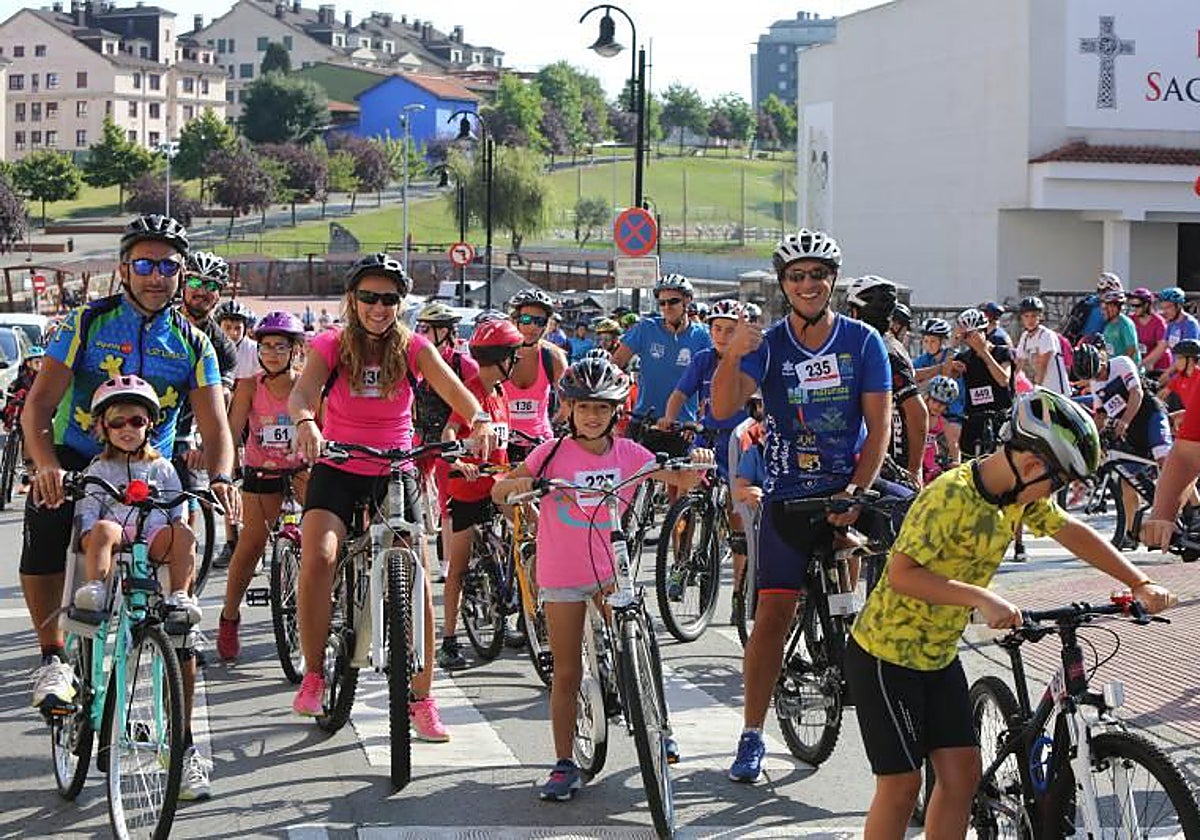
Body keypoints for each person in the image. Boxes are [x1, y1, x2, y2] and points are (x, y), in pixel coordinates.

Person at [847, 388, 1175, 839]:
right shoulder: (949, 496)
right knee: (902, 786)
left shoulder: (1019, 496)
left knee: (961, 778)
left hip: (938, 656)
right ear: (1032, 466)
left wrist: (1137, 580)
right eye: (1059, 482)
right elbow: (902, 575)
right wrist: (980, 598)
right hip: (885, 656)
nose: (1057, 493)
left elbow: (1071, 530)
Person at [22, 214, 239, 802]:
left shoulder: (193, 341)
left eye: (168, 266)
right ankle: (53, 658)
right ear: (123, 269)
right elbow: (37, 405)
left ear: (181, 273)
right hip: (77, 452)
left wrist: (220, 477)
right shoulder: (87, 322)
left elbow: (216, 423)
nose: (156, 275)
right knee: (46, 532)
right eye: (144, 264)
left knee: (178, 624)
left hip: (154, 467)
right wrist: (45, 463)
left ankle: (185, 747)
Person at [709, 228, 893, 783]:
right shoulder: (766, 344)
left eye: (818, 275)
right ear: (784, 285)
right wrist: (733, 355)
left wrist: (858, 491)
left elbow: (879, 428)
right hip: (789, 495)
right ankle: (751, 735)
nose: (808, 284)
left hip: (850, 487)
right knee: (772, 615)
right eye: (797, 276)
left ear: (832, 281)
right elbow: (722, 410)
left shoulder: (863, 342)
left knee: (896, 575)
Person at [288, 253, 495, 742]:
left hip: (395, 468)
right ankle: (315, 673)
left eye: (389, 299)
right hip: (338, 466)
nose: (379, 308)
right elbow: (302, 394)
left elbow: (455, 390)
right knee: (318, 557)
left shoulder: (414, 347)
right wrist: (306, 422)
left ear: (400, 304)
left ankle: (422, 699)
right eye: (369, 298)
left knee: (417, 574)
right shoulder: (331, 345)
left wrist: (479, 420)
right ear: (353, 301)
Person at [489, 357, 711, 801]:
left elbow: (681, 478)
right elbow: (500, 490)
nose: (593, 416)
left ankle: (659, 727)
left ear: (616, 411)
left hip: (612, 573)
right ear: (568, 409)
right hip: (562, 575)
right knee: (567, 673)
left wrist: (699, 465)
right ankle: (564, 763)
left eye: (603, 408)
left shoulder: (630, 453)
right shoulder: (549, 454)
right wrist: (524, 492)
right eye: (584, 407)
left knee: (640, 642)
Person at [216, 311, 309, 661]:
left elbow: (327, 426)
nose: (271, 353)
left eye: (280, 347)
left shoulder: (308, 383)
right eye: (265, 347)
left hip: (301, 470)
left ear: (295, 351)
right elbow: (232, 428)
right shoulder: (249, 386)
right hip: (262, 472)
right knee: (251, 543)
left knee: (324, 535)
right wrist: (227, 469)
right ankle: (229, 616)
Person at [72, 376, 199, 622]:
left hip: (152, 533)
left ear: (149, 425)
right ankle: (95, 587)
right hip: (117, 534)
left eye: (136, 421)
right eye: (117, 422)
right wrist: (88, 534)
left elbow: (178, 502)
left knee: (184, 533)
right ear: (104, 428)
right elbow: (87, 507)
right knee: (102, 528)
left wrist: (179, 523)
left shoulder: (162, 467)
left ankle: (180, 596)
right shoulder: (99, 468)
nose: (127, 428)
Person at [436, 318, 523, 671]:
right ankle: (450, 639)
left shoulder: (501, 392)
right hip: (468, 489)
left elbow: (507, 442)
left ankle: (526, 606)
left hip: (499, 485)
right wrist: (458, 459)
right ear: (502, 357)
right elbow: (448, 433)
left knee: (531, 528)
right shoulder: (469, 392)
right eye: (514, 355)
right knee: (457, 566)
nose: (517, 361)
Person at [659, 299, 751, 607]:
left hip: (742, 443)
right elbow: (679, 393)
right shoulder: (702, 359)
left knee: (738, 516)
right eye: (717, 328)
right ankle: (679, 564)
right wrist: (669, 418)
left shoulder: (752, 360)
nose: (722, 335)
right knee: (689, 493)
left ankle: (740, 590)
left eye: (730, 330)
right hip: (707, 439)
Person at [1073, 342, 1173, 549]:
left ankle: (1195, 509)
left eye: (1098, 373)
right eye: (1092, 377)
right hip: (1131, 432)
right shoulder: (1095, 383)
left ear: (1101, 361)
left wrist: (1125, 421)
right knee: (1128, 480)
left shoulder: (1121, 363)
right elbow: (1100, 416)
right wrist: (1094, 438)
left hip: (1150, 417)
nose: (1098, 379)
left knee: (1167, 462)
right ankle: (1130, 533)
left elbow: (1137, 394)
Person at [178, 253, 240, 570]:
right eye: (195, 281)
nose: (202, 290)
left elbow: (221, 401)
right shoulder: (161, 323)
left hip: (185, 434)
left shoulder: (221, 345)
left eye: (211, 285)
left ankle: (181, 590)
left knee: (184, 512)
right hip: (142, 425)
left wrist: (204, 445)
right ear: (182, 283)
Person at [412, 302, 478, 580]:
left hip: (449, 439)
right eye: (421, 327)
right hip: (419, 434)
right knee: (407, 494)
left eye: (427, 328)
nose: (422, 333)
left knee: (446, 504)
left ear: (445, 332)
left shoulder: (464, 364)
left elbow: (477, 400)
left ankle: (448, 565)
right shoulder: (414, 359)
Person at [846, 276, 927, 484]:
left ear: (858, 312)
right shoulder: (887, 344)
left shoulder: (885, 352)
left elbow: (917, 412)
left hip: (891, 464)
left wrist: (914, 469)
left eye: (851, 310)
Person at [612, 274, 712, 425]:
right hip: (644, 420)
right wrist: (616, 400)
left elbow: (711, 382)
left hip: (683, 425)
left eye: (673, 301)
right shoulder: (646, 328)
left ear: (687, 300)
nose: (667, 307)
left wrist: (702, 420)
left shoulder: (703, 336)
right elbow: (615, 364)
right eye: (662, 303)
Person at [504, 289, 567, 462]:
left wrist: (552, 426)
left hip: (540, 444)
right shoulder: (499, 354)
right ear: (514, 320)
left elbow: (568, 405)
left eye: (539, 321)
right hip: (501, 444)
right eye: (526, 319)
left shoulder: (553, 357)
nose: (532, 327)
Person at [949, 308, 1012, 459]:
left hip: (1000, 417)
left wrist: (984, 353)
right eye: (966, 336)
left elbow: (1003, 380)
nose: (970, 340)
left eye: (972, 335)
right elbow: (950, 380)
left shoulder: (1001, 352)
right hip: (974, 418)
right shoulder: (964, 357)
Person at [913, 318, 963, 464]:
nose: (929, 345)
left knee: (952, 436)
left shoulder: (954, 357)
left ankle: (955, 463)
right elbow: (913, 374)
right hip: (929, 407)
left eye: (933, 341)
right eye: (926, 341)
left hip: (952, 411)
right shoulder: (923, 359)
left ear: (943, 342)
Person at [1013, 296, 1069, 395]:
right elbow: (1018, 363)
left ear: (1040, 317)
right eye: (1026, 316)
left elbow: (1042, 365)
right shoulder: (1025, 337)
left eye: (1034, 316)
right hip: (1041, 391)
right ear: (1022, 318)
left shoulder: (1046, 335)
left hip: (1056, 392)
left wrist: (1036, 389)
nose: (1030, 320)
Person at [922, 375, 960, 482]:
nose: (937, 406)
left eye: (942, 404)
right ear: (928, 397)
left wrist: (957, 463)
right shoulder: (918, 413)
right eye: (934, 401)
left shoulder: (943, 422)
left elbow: (953, 444)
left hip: (930, 464)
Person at [214, 298, 259, 383]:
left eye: (238, 328)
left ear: (245, 329)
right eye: (227, 328)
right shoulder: (210, 348)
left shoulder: (255, 350)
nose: (233, 333)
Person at [1130, 286, 1171, 377]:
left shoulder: (1158, 322)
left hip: (1159, 365)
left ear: (1147, 305)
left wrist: (1145, 363)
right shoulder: (1131, 320)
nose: (1134, 309)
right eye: (1132, 306)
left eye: (1138, 306)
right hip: (1141, 365)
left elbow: (1161, 347)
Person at [1157, 338, 1200, 420]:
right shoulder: (1180, 377)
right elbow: (1162, 394)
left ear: (1190, 360)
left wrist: (1180, 414)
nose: (1176, 362)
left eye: (1179, 358)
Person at [1099, 288, 1140, 364]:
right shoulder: (1108, 325)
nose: (1105, 310)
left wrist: (1118, 365)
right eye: (1105, 307)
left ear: (1117, 308)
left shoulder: (1125, 324)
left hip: (1127, 368)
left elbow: (1131, 350)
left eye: (1110, 307)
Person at [1157, 286, 1200, 353]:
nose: (1165, 311)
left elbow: (1189, 354)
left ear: (1179, 305)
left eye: (1168, 307)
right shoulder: (1172, 323)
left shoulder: (1190, 324)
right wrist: (1143, 363)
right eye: (1163, 308)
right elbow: (1162, 346)